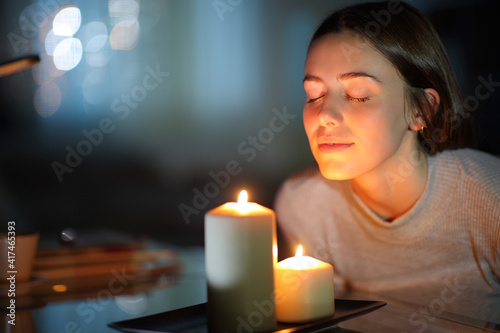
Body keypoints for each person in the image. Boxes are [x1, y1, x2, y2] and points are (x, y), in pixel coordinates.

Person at [274, 1, 500, 324]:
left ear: (421, 109)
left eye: (358, 95)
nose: (324, 115)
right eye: (314, 95)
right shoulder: (303, 204)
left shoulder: (489, 202)